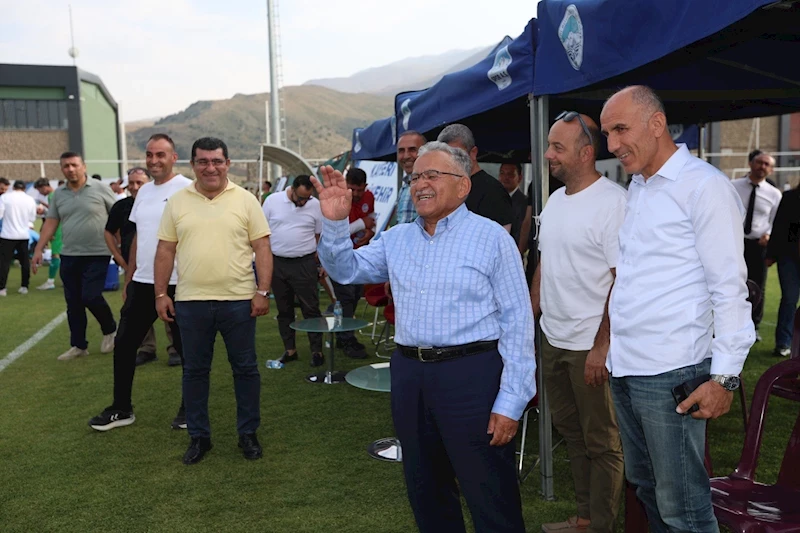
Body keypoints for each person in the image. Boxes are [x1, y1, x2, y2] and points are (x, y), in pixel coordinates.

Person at [313, 142, 535, 533]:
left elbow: (517, 322)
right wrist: (334, 224)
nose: (420, 184)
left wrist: (511, 401)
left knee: (489, 493)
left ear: (463, 185)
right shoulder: (397, 238)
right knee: (425, 489)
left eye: (432, 175)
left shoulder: (491, 238)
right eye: (415, 177)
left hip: (472, 376)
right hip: (410, 376)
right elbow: (346, 270)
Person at [600, 85, 754, 532]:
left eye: (620, 129)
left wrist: (724, 378)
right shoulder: (639, 187)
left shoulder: (704, 186)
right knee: (648, 490)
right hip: (627, 369)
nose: (612, 144)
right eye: (607, 133)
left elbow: (729, 289)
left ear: (657, 124)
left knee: (684, 510)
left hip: (671, 372)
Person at [531, 112, 626, 533]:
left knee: (601, 442)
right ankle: (585, 518)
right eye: (550, 145)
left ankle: (601, 526)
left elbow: (622, 281)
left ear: (586, 153)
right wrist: (529, 318)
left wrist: (601, 348)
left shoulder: (614, 203)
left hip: (590, 345)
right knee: (571, 432)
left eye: (557, 147)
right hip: (553, 339)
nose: (548, 154)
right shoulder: (554, 200)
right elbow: (545, 264)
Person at [155, 137, 272, 465]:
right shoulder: (177, 201)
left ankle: (248, 433)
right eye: (203, 161)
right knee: (194, 372)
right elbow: (165, 249)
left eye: (217, 161)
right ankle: (199, 437)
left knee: (245, 369)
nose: (211, 167)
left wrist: (262, 291)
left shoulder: (246, 200)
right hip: (191, 302)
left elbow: (262, 247)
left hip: (238, 301)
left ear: (227, 164)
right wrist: (161, 294)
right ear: (193, 165)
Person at [88, 135, 193, 432]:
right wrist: (130, 276)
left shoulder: (188, 189)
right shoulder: (144, 191)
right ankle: (121, 408)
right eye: (149, 154)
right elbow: (137, 238)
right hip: (143, 282)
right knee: (124, 344)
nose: (154, 160)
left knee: (187, 350)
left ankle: (190, 408)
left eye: (160, 154)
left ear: (174, 158)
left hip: (179, 283)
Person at [33, 152, 119, 361]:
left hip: (98, 252)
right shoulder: (59, 195)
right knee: (73, 303)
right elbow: (51, 222)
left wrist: (121, 246)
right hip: (70, 254)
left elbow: (117, 216)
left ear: (84, 166)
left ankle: (110, 330)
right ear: (62, 169)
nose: (70, 169)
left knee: (90, 296)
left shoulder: (100, 188)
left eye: (74, 165)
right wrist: (38, 249)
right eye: (66, 166)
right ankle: (79, 345)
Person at [103, 166, 180, 367]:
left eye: (140, 182)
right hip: (137, 268)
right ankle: (147, 349)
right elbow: (110, 232)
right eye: (131, 183)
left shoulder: (166, 199)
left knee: (169, 310)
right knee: (136, 316)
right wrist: (120, 259)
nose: (135, 187)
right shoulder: (122, 206)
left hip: (168, 268)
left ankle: (175, 349)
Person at [262, 174, 325, 367]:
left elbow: (319, 235)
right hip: (278, 262)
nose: (303, 202)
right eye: (300, 198)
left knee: (311, 308)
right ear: (292, 188)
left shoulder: (315, 205)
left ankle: (317, 351)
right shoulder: (272, 201)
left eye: (307, 198)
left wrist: (321, 261)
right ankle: (290, 350)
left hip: (305, 263)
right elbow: (262, 232)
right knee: (284, 309)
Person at [730, 151, 781, 341]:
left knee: (758, 286)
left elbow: (775, 220)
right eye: (759, 162)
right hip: (735, 242)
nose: (762, 167)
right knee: (732, 283)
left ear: (771, 170)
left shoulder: (774, 194)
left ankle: (754, 325)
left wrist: (769, 234)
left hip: (758, 245)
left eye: (767, 164)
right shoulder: (733, 186)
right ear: (750, 164)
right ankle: (730, 323)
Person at [328, 167, 373, 359]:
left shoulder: (369, 197)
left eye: (359, 190)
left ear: (365, 186)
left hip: (360, 256)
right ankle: (347, 339)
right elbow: (337, 232)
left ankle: (342, 334)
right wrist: (362, 224)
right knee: (346, 298)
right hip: (340, 258)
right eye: (351, 189)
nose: (355, 194)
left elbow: (371, 220)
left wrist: (369, 231)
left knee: (354, 297)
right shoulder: (337, 200)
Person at [437, 124, 513, 232]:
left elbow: (501, 236)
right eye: (445, 156)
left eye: (457, 155)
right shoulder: (449, 187)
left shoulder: (493, 191)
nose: (451, 161)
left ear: (473, 153)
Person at [766, 182, 800, 357]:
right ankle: (783, 343)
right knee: (789, 298)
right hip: (789, 257)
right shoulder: (790, 197)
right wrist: (770, 254)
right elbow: (779, 226)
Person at [0, 180, 37, 297]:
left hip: (7, 235)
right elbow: (32, 218)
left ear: (13, 187)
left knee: (4, 262)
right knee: (25, 262)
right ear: (24, 188)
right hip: (23, 235)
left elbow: (0, 214)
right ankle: (24, 286)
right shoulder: (30, 199)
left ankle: (2, 288)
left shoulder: (5, 198)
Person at [36, 179, 63, 291]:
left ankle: (50, 281)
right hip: (63, 228)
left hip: (58, 229)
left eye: (39, 190)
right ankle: (66, 279)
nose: (40, 193)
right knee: (63, 255)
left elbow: (55, 215)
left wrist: (51, 232)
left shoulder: (52, 196)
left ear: (44, 187)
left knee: (55, 255)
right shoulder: (56, 194)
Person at [394, 130, 426, 224]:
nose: (406, 156)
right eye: (401, 151)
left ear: (425, 152)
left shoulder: (432, 185)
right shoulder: (405, 187)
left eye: (412, 150)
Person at [498, 163, 527, 244]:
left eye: (510, 174)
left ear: (520, 178)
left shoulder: (524, 202)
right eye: (502, 173)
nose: (505, 178)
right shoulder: (494, 199)